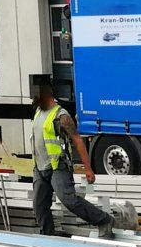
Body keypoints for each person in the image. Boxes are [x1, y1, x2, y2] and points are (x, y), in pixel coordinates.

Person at [31, 82, 115, 238]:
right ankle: (48, 236)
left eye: (36, 96)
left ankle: (104, 220)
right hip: (40, 167)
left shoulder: (61, 116)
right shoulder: (38, 112)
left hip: (58, 166)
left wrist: (88, 169)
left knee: (69, 200)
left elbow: (77, 140)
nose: (33, 100)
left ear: (46, 95)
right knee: (39, 205)